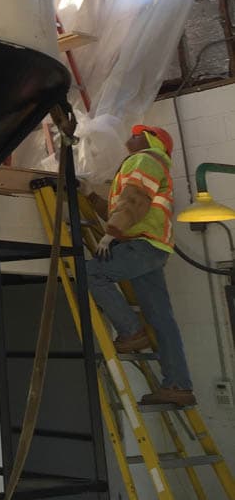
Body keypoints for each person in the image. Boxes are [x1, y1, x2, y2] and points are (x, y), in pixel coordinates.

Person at [85, 124, 195, 407]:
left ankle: (131, 332)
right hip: (153, 248)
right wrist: (90, 196)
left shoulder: (145, 160)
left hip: (141, 245)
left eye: (139, 132)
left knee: (91, 273)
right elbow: (122, 208)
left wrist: (111, 234)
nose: (131, 135)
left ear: (153, 141)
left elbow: (133, 201)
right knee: (161, 319)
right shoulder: (147, 164)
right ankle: (178, 386)